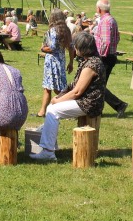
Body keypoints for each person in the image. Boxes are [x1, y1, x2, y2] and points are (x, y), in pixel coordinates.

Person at [33, 31, 104, 161]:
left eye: (75, 45)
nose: (73, 47)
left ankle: (48, 151)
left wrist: (58, 100)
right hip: (84, 101)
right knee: (51, 108)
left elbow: (77, 92)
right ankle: (50, 146)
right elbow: (72, 85)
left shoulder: (92, 65)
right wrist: (60, 95)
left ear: (83, 48)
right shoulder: (88, 60)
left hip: (89, 104)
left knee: (53, 110)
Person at [92, 0, 127, 118]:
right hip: (109, 56)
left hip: (105, 57)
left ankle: (120, 105)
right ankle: (99, 110)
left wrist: (99, 56)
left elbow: (106, 42)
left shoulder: (106, 21)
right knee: (99, 85)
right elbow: (117, 38)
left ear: (99, 9)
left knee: (98, 85)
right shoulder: (111, 20)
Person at [37, 9, 74, 117]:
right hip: (61, 61)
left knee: (57, 89)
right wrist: (71, 62)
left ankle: (70, 109)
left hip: (52, 62)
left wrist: (43, 49)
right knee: (49, 87)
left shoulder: (53, 30)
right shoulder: (66, 30)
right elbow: (71, 48)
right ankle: (42, 111)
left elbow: (52, 47)